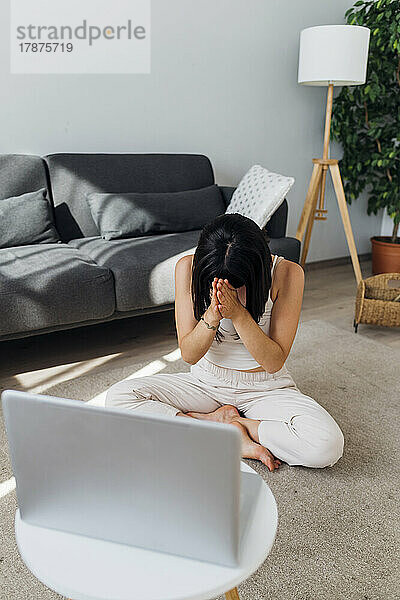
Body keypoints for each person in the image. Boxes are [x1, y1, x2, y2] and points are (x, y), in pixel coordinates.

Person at [106, 214, 344, 471]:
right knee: (118, 398)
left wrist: (239, 315)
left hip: (265, 389)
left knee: (326, 445)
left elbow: (274, 361)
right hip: (205, 383)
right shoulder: (187, 268)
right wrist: (212, 315)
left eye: (240, 283)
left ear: (258, 268)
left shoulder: (287, 273)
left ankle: (238, 427)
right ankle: (214, 423)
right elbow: (189, 354)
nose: (231, 289)